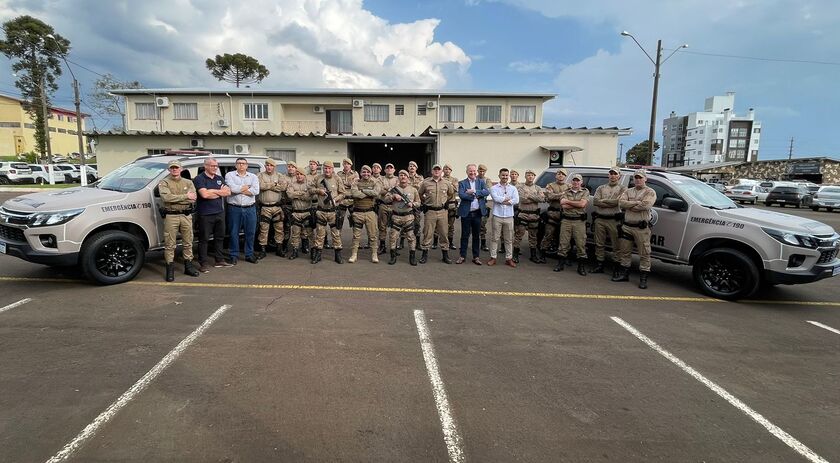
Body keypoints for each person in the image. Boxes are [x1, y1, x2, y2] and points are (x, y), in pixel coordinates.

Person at [612, 169, 657, 289]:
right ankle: (624, 274)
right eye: (636, 177)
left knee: (644, 254)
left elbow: (646, 205)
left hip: (641, 228)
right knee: (625, 251)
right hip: (627, 226)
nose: (638, 179)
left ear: (645, 179)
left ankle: (643, 279)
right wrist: (636, 203)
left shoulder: (650, 192)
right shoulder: (628, 190)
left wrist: (630, 204)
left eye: (640, 177)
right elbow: (621, 203)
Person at [159, 160, 199, 281]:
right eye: (172, 168)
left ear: (181, 169)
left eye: (176, 167)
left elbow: (193, 199)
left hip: (186, 215)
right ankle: (170, 269)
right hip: (171, 216)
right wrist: (185, 196)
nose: (174, 170)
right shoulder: (164, 182)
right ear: (169, 170)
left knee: (188, 242)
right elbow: (166, 197)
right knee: (170, 244)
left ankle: (188, 266)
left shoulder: (188, 182)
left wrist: (177, 199)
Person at [193, 157, 232, 271]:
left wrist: (212, 191)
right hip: (205, 214)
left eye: (216, 166)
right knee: (204, 239)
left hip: (219, 213)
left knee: (219, 237)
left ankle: (219, 260)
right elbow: (204, 195)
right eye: (212, 166)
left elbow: (228, 192)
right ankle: (203, 263)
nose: (215, 168)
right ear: (205, 166)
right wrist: (219, 192)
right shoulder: (199, 179)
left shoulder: (219, 178)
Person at [417, 164, 456, 264]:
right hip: (430, 212)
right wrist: (425, 201)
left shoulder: (447, 183)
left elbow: (451, 193)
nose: (437, 171)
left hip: (443, 212)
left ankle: (445, 255)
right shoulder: (425, 183)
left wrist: (444, 201)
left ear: (441, 171)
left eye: (438, 169)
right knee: (427, 233)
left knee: (444, 233)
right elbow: (419, 193)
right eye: (435, 169)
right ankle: (424, 255)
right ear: (432, 171)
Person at [225, 157, 260, 264]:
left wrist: (238, 190)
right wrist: (246, 187)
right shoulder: (229, 175)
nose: (241, 165)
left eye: (243, 163)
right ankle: (233, 255)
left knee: (250, 232)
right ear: (236, 165)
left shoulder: (253, 176)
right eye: (239, 163)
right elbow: (231, 189)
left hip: (250, 208)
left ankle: (249, 254)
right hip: (234, 208)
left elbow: (256, 191)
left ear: (247, 165)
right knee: (233, 232)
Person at [592, 166, 626, 274]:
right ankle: (599, 265)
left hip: (614, 220)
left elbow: (619, 202)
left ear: (619, 176)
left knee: (616, 245)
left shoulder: (623, 189)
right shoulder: (601, 188)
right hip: (600, 219)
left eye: (615, 174)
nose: (613, 176)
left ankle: (616, 268)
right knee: (599, 243)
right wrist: (611, 202)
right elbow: (596, 202)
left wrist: (604, 201)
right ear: (608, 175)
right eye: (611, 173)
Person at [310, 161, 346, 264]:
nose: (327, 170)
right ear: (323, 169)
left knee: (336, 234)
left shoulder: (337, 179)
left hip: (333, 212)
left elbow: (343, 193)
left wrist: (335, 199)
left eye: (329, 168)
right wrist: (318, 191)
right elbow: (310, 189)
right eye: (325, 168)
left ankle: (338, 255)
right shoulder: (318, 178)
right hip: (321, 211)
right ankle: (318, 255)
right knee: (320, 234)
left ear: (333, 169)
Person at [554, 173, 589, 275]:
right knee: (563, 242)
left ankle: (581, 267)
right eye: (574, 180)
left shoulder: (585, 192)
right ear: (571, 182)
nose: (576, 182)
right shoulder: (566, 191)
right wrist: (576, 204)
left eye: (578, 180)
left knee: (580, 243)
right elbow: (563, 205)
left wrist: (568, 202)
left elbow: (582, 204)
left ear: (581, 182)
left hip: (579, 221)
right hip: (566, 221)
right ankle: (560, 264)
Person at [383, 170, 420, 265]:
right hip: (396, 217)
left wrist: (412, 204)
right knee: (393, 237)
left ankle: (412, 257)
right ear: (398, 177)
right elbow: (385, 200)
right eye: (401, 175)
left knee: (411, 237)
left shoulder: (413, 189)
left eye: (405, 175)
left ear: (408, 177)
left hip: (409, 217)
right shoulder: (393, 189)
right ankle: (393, 257)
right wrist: (393, 196)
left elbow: (419, 203)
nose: (403, 176)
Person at [455, 164, 489, 265]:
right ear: (467, 172)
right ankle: (462, 256)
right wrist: (475, 196)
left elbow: (487, 192)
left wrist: (473, 192)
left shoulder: (481, 181)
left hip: (477, 213)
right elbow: (461, 194)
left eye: (474, 171)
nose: (472, 173)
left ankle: (476, 257)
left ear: (476, 172)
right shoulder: (462, 183)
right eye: (470, 171)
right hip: (467, 213)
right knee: (464, 235)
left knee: (476, 236)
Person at [348, 165, 381, 263]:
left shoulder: (375, 182)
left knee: (373, 235)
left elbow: (376, 193)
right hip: (358, 213)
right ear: (361, 173)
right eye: (364, 172)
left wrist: (362, 191)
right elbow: (354, 193)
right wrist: (368, 193)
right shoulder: (356, 182)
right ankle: (354, 254)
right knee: (356, 235)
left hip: (370, 212)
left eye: (368, 172)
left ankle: (374, 254)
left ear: (370, 173)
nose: (366, 174)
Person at [488, 168, 520, 267]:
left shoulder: (513, 188)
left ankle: (509, 258)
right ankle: (493, 257)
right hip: (497, 216)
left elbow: (516, 200)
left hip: (509, 217)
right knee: (495, 238)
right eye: (503, 175)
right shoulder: (494, 188)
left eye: (506, 175)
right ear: (499, 176)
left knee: (509, 239)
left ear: (508, 176)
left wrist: (505, 201)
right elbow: (495, 198)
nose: (505, 177)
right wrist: (506, 199)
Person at [256, 158, 288, 259]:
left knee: (279, 229)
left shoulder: (280, 176)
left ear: (274, 167)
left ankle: (279, 249)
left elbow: (283, 187)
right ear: (265, 166)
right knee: (263, 229)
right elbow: (259, 186)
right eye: (267, 165)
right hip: (265, 207)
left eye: (271, 165)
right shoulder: (260, 175)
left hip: (277, 207)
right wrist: (273, 185)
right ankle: (262, 250)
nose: (269, 167)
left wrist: (267, 186)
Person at [514, 169, 544, 263]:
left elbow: (542, 199)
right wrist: (534, 198)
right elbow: (522, 199)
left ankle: (533, 256)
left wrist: (529, 196)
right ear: (525, 176)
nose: (530, 177)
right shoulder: (520, 186)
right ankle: (515, 255)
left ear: (534, 176)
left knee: (533, 236)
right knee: (519, 235)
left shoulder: (538, 188)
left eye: (532, 175)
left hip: (534, 215)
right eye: (528, 175)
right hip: (523, 214)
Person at [539, 168, 569, 263]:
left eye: (563, 174)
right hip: (552, 214)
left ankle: (564, 257)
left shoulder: (569, 186)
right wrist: (563, 195)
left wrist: (558, 195)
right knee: (548, 234)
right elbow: (550, 196)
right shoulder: (550, 185)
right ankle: (542, 255)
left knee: (565, 237)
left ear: (565, 176)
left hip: (564, 215)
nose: (560, 176)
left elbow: (571, 197)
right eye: (559, 174)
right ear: (556, 175)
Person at [286, 170, 313, 260]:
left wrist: (296, 194)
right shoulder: (292, 184)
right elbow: (289, 195)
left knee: (309, 233)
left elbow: (309, 197)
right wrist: (301, 194)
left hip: (307, 212)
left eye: (301, 174)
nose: (299, 176)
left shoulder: (309, 185)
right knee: (295, 233)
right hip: (296, 213)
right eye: (297, 174)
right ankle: (295, 251)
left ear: (304, 175)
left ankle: (313, 251)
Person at [376, 163, 398, 255]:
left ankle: (394, 247)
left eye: (391, 168)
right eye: (387, 168)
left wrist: (386, 189)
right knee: (382, 226)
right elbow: (379, 190)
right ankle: (382, 246)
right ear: (384, 170)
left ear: (394, 170)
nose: (389, 169)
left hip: (394, 206)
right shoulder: (380, 179)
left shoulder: (398, 179)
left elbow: (399, 189)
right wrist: (391, 189)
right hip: (383, 205)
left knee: (395, 227)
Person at [336, 158, 359, 242]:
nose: (346, 165)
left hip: (352, 201)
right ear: (343, 165)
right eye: (344, 163)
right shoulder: (338, 174)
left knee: (355, 222)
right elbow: (337, 185)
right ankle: (337, 241)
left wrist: (343, 183)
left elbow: (355, 185)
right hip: (342, 201)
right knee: (339, 221)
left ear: (350, 165)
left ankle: (356, 241)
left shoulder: (355, 174)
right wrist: (349, 183)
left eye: (348, 164)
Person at [441, 163, 459, 250]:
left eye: (449, 169)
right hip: (442, 204)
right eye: (445, 169)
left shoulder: (454, 179)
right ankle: (435, 242)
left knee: (451, 225)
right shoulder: (440, 179)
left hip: (451, 204)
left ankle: (451, 242)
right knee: (439, 225)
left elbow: (455, 189)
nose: (447, 170)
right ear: (443, 170)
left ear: (451, 171)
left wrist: (446, 184)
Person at [477, 164, 494, 251]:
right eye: (480, 171)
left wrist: (476, 192)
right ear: (478, 171)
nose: (482, 172)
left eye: (483, 171)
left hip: (483, 205)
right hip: (473, 205)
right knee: (470, 226)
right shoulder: (474, 179)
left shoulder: (487, 180)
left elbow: (488, 191)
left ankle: (483, 244)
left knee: (482, 226)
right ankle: (473, 244)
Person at [407, 160, 424, 247]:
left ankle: (417, 243)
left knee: (417, 223)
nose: (412, 167)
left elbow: (422, 189)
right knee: (404, 223)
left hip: (417, 203)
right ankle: (402, 243)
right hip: (406, 203)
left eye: (414, 166)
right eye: (410, 166)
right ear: (408, 168)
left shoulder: (420, 178)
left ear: (416, 168)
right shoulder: (405, 176)